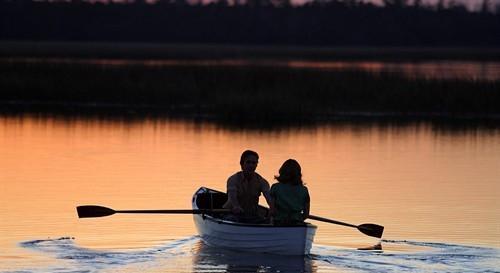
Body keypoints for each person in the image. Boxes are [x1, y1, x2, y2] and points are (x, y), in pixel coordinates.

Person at [223, 150, 273, 222]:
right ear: (242, 164)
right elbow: (232, 196)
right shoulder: (233, 179)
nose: (251, 165)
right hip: (232, 213)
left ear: (256, 165)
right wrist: (236, 206)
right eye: (248, 162)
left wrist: (272, 208)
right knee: (231, 219)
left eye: (254, 163)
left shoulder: (262, 181)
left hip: (252, 215)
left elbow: (269, 198)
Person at [270, 159, 310, 226]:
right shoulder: (304, 190)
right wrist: (298, 218)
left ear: (282, 172)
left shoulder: (275, 188)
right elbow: (306, 214)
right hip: (297, 223)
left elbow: (272, 211)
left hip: (279, 222)